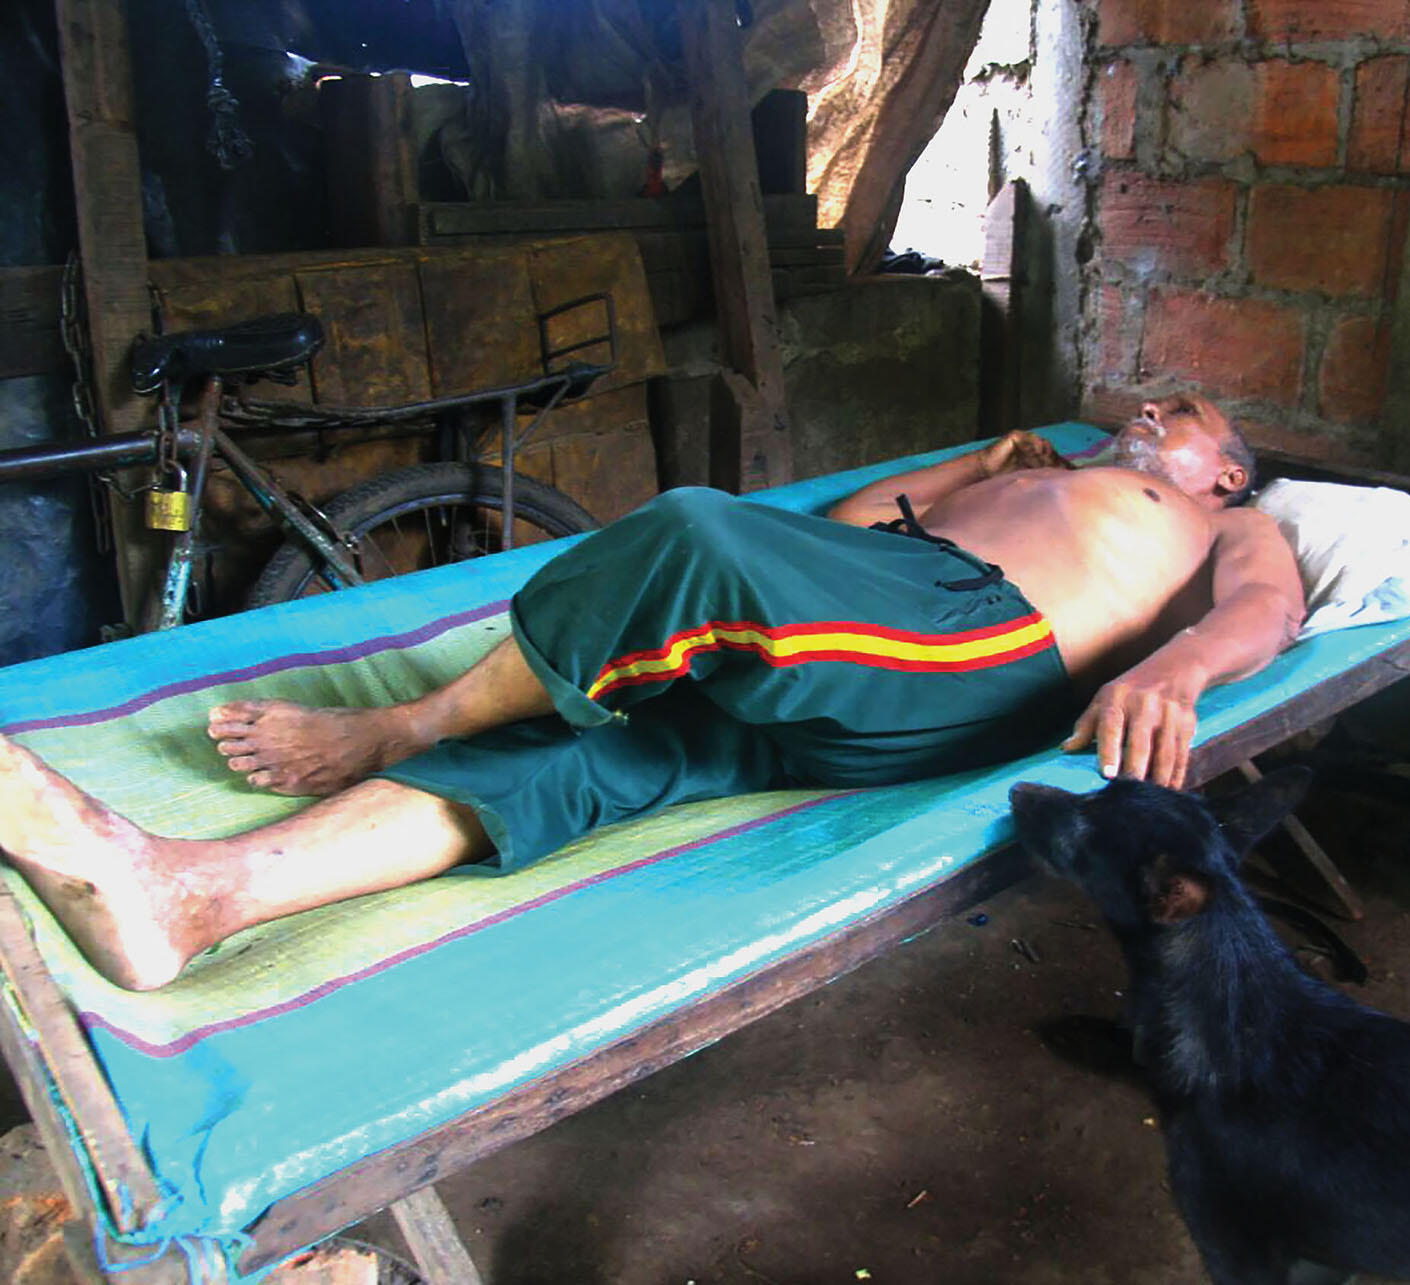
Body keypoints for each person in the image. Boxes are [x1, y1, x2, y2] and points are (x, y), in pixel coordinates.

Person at [0, 393, 1304, 991]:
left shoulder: (1211, 527)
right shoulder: (1043, 454)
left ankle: (407, 714)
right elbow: (843, 533)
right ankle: (190, 896)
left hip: (978, 647)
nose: (1149, 407)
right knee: (591, 750)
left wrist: (1176, 662)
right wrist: (977, 464)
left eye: (1179, 411)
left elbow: (1270, 606)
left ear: (1223, 476)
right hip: (864, 620)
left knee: (698, 531)